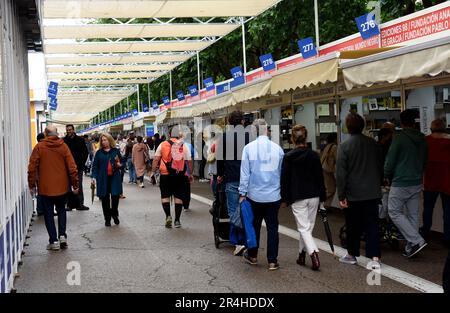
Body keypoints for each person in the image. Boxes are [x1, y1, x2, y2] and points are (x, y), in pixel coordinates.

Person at [337, 113, 382, 268]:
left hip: (353, 194)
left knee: (353, 225)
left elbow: (341, 173)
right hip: (372, 192)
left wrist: (341, 194)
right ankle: (375, 256)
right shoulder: (373, 144)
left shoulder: (344, 146)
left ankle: (352, 254)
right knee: (372, 224)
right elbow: (379, 166)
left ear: (348, 127)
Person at [239, 119, 284, 271]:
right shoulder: (278, 149)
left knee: (255, 225)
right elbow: (281, 173)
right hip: (273, 195)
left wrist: (242, 193)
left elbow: (245, 173)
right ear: (267, 130)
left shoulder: (248, 148)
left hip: (254, 195)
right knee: (272, 227)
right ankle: (272, 261)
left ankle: (253, 256)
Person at [281, 125, 326, 271]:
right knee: (307, 228)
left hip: (298, 196)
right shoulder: (314, 155)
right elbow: (320, 177)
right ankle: (301, 255)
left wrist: (284, 198)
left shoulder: (288, 157)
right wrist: (323, 197)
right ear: (305, 137)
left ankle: (313, 253)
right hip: (314, 195)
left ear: (292, 139)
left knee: (303, 228)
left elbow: (285, 179)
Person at [27, 125, 79, 250]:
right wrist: (75, 184)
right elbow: (72, 167)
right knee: (61, 211)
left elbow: (32, 167)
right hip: (62, 187)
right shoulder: (63, 146)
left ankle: (54, 241)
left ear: (45, 134)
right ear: (56, 133)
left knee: (49, 214)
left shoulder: (39, 147)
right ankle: (62, 236)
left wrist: (31, 184)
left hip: (45, 188)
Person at [385, 109, 428, 258]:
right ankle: (411, 247)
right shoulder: (422, 138)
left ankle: (416, 240)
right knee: (413, 214)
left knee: (394, 211)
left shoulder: (399, 137)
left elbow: (390, 160)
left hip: (401, 181)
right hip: (417, 180)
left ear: (402, 122)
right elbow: (424, 160)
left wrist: (386, 174)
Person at [217, 110, 249, 256]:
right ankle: (243, 239)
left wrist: (219, 174)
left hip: (231, 177)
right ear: (242, 121)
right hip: (247, 178)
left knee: (233, 209)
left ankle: (238, 241)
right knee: (246, 209)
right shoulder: (249, 136)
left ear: (229, 122)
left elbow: (220, 158)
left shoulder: (224, 137)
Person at [151, 126, 193, 228]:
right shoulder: (184, 146)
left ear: (169, 135)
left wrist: (153, 172)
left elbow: (156, 159)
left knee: (165, 196)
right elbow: (189, 161)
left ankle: (168, 216)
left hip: (165, 175)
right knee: (178, 197)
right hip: (179, 175)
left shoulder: (162, 144)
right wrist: (190, 173)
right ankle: (177, 220)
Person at [420, 119, 450, 245]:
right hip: (447, 180)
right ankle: (448, 237)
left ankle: (425, 234)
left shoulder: (425, 141)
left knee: (428, 209)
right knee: (448, 212)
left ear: (432, 128)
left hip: (430, 179)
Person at [91, 133, 123, 227]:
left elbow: (121, 162)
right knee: (105, 200)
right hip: (103, 179)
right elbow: (95, 166)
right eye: (102, 140)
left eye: (106, 140)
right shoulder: (99, 153)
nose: (104, 142)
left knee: (115, 197)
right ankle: (107, 219)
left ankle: (114, 213)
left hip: (114, 178)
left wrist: (120, 165)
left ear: (110, 140)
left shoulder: (115, 151)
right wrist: (93, 177)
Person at [64, 124, 89, 211]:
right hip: (66, 168)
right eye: (67, 130)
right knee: (66, 186)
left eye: (70, 130)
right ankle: (68, 205)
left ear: (73, 130)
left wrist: (81, 163)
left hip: (78, 167)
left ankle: (80, 204)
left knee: (79, 185)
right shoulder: (63, 141)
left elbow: (85, 153)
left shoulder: (80, 140)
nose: (68, 131)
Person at [320, 133, 337, 209]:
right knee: (331, 189)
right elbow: (337, 159)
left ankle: (325, 205)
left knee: (329, 189)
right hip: (328, 170)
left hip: (324, 169)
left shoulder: (327, 146)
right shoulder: (334, 147)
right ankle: (320, 204)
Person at [35, 133, 46, 216]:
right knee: (43, 193)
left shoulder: (37, 147)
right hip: (42, 174)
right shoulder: (41, 148)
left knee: (40, 192)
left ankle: (40, 209)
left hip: (39, 174)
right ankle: (41, 210)